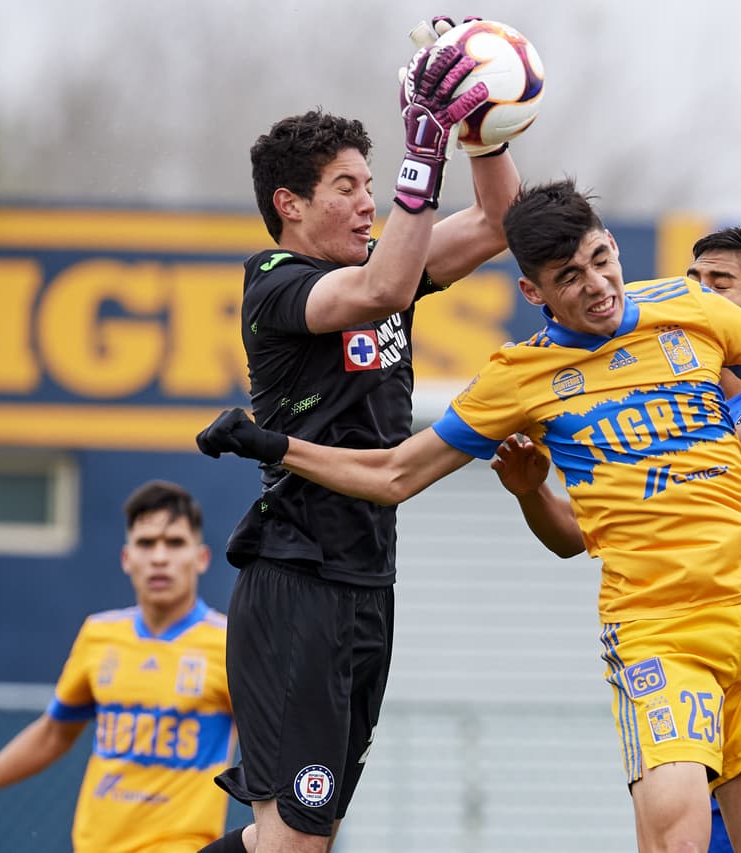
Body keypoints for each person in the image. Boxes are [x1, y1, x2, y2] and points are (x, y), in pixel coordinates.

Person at [195, 179, 741, 853]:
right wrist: (275, 444)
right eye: (569, 278)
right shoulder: (518, 378)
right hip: (659, 636)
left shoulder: (695, 313)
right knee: (674, 830)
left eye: (601, 260)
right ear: (533, 290)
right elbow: (393, 475)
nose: (595, 287)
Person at [204, 33, 524, 853]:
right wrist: (424, 147)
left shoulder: (386, 265)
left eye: (373, 183)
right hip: (298, 576)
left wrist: (481, 131)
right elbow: (381, 288)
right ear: (290, 205)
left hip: (367, 579)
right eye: (345, 186)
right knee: (297, 838)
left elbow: (498, 222)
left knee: (309, 836)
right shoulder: (274, 285)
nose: (366, 202)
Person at [489, 225, 741, 852]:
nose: (694, 293)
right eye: (691, 280)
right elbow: (573, 536)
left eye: (716, 284)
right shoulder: (667, 401)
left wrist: (624, 432)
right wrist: (534, 491)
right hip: (701, 672)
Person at [0, 480, 236, 853]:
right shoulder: (99, 634)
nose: (160, 557)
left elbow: (277, 740)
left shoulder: (231, 643)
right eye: (146, 543)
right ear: (127, 558)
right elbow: (53, 734)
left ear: (201, 558)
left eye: (174, 543)